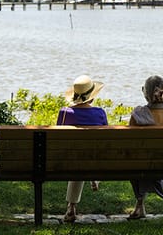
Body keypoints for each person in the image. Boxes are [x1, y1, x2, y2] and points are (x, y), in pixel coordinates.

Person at [57, 75, 108, 222]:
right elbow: (105, 140)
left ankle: (71, 207)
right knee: (87, 155)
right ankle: (94, 176)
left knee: (77, 158)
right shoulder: (100, 113)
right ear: (91, 97)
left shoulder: (65, 112)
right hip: (95, 158)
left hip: (70, 159)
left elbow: (59, 140)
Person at [128, 75, 163, 219]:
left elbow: (130, 143)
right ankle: (140, 206)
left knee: (137, 160)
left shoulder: (138, 114)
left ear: (145, 93)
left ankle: (139, 204)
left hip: (139, 164)